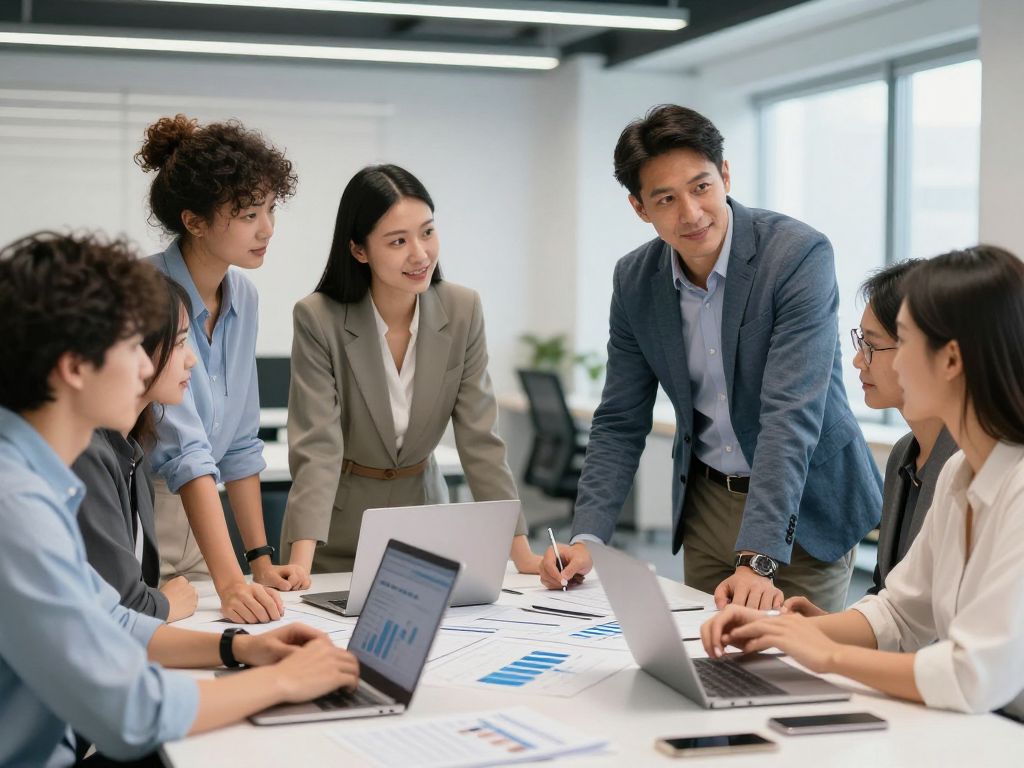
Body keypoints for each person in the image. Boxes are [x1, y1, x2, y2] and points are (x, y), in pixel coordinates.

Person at [0, 232, 359, 767]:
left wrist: (239, 648)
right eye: (130, 349)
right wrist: (284, 681)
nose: (148, 366)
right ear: (74, 366)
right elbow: (130, 714)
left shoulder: (37, 478)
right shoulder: (15, 507)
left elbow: (111, 621)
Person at [540, 105, 881, 612]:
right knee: (705, 663)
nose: (691, 213)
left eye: (701, 187)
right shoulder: (635, 281)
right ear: (640, 208)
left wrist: (759, 557)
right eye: (666, 199)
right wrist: (588, 538)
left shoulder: (796, 256)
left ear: (724, 175)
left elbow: (790, 415)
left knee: (797, 675)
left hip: (804, 504)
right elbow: (619, 420)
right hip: (705, 504)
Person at [701, 245, 1024, 720]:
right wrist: (781, 630)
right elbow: (898, 612)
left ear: (951, 360)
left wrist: (826, 654)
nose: (862, 362)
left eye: (904, 341)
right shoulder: (961, 472)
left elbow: (971, 674)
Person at [281, 164, 540, 574]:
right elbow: (318, 448)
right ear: (359, 250)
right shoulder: (319, 318)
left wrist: (522, 553)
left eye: (427, 232)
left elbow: (480, 440)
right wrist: (299, 564)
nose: (420, 254)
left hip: (426, 531)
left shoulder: (462, 310)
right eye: (398, 241)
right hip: (335, 537)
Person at [136, 114, 310, 624]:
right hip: (147, 514)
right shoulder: (149, 291)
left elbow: (239, 443)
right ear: (194, 221)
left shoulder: (244, 298)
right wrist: (231, 581)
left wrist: (257, 560)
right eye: (249, 213)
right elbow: (184, 450)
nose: (267, 228)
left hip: (205, 529)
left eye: (271, 209)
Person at [785, 260, 958, 616]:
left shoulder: (975, 466)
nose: (858, 361)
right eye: (860, 341)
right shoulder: (904, 454)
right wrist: (824, 627)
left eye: (872, 345)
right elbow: (889, 596)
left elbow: (942, 630)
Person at [72, 273, 200, 621]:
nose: (191, 360)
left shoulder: (132, 450)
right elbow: (124, 605)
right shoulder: (87, 453)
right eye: (179, 343)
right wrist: (165, 603)